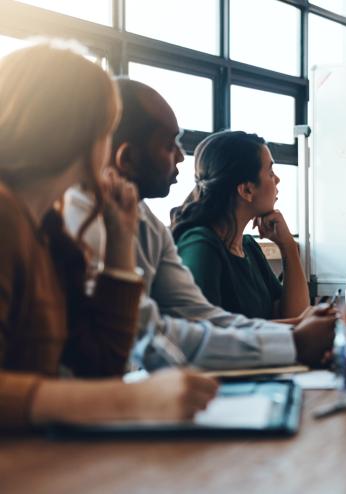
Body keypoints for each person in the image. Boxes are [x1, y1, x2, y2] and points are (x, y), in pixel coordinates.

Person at [0, 41, 217, 430]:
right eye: (105, 130)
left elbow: (101, 363)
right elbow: (107, 387)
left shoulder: (49, 234)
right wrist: (125, 399)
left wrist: (120, 245)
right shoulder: (5, 218)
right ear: (77, 136)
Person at [64, 80, 334, 370]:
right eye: (169, 145)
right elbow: (150, 337)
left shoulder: (150, 224)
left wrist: (294, 332)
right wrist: (294, 341)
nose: (181, 157)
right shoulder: (80, 221)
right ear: (127, 157)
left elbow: (202, 316)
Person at [171, 131, 308, 321]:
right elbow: (207, 334)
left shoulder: (249, 248)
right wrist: (307, 327)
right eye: (270, 172)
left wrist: (288, 246)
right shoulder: (201, 246)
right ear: (246, 190)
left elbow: (294, 315)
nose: (277, 179)